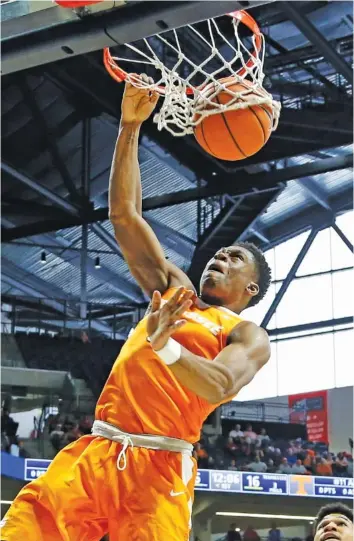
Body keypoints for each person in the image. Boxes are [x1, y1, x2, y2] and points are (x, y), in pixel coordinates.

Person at [2, 78, 271, 541]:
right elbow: (125, 215)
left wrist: (165, 348)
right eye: (218, 253)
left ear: (251, 287)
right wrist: (130, 127)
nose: (218, 259)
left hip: (159, 469)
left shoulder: (246, 334)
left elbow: (221, 383)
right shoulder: (175, 290)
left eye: (233, 259)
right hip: (99, 448)